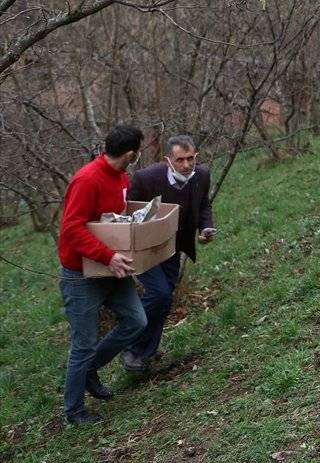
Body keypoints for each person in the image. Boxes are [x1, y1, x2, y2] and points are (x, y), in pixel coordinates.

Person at [57, 124, 149, 426]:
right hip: (81, 274)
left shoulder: (122, 178)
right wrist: (107, 256)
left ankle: (89, 370)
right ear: (130, 153)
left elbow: (113, 221)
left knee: (136, 320)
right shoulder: (86, 179)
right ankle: (74, 411)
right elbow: (71, 229)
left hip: (112, 269)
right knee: (83, 343)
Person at [121, 134, 215, 373]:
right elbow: (128, 212)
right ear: (168, 160)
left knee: (164, 298)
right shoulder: (146, 178)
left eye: (191, 158)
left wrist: (204, 227)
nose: (186, 165)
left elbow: (204, 204)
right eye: (180, 159)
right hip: (146, 248)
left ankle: (143, 354)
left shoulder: (201, 175)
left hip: (174, 247)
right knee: (160, 293)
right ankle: (129, 345)